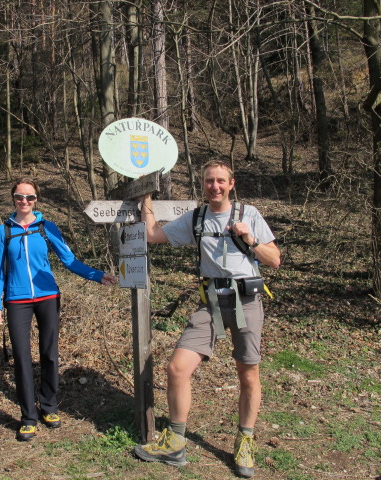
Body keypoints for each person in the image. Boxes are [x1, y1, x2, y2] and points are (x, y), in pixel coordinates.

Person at [134, 160, 280, 478]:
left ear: (231, 183)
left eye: (220, 181)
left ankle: (245, 441)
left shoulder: (248, 214)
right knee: (177, 368)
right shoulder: (197, 218)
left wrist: (250, 240)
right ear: (203, 185)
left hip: (247, 302)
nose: (214, 186)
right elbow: (152, 235)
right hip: (210, 303)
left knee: (248, 376)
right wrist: (145, 196)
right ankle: (174, 442)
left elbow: (275, 259)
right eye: (209, 181)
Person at [0, 177, 116, 441]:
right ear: (12, 198)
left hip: (48, 296)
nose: (24, 202)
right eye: (19, 197)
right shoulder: (4, 231)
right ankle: (28, 417)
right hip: (16, 299)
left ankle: (48, 406)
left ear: (37, 200)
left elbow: (69, 260)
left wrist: (97, 275)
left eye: (30, 197)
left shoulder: (47, 227)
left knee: (49, 354)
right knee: (22, 359)